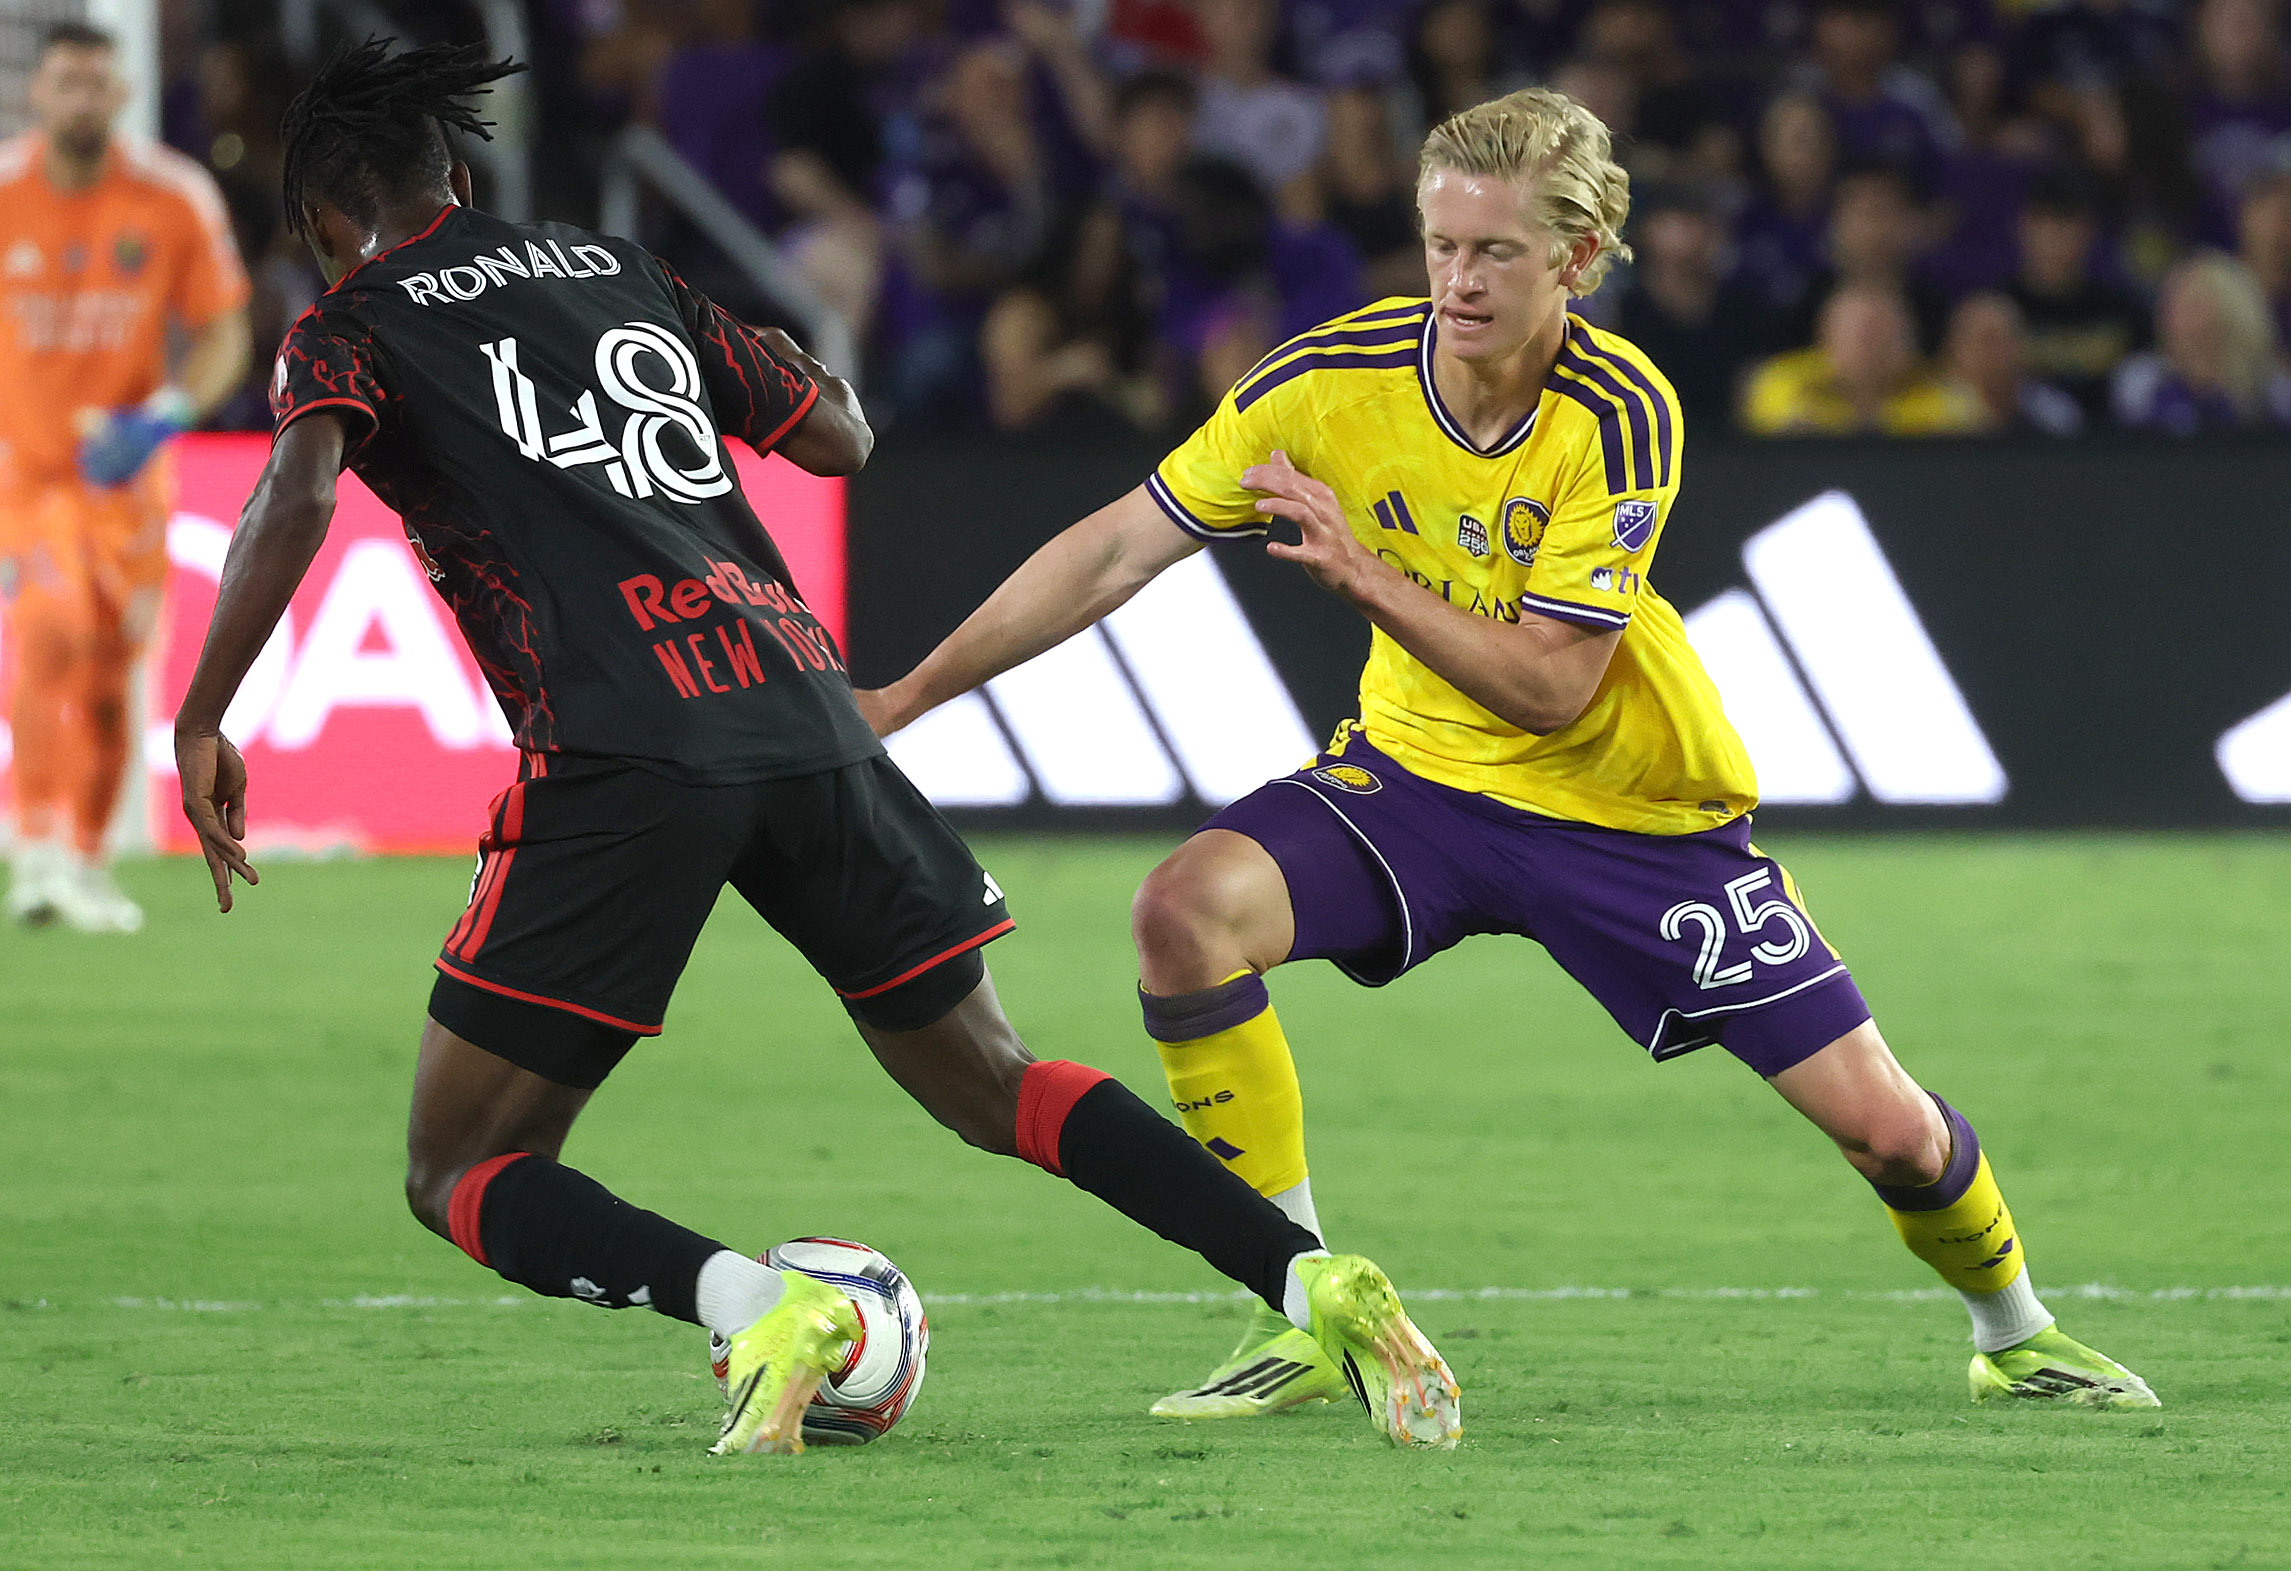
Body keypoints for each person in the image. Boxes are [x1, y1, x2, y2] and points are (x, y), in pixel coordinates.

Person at [173, 40, 1457, 1457]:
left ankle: (759, 1305)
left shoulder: (347, 323)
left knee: (460, 1163)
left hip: (622, 743)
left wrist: (205, 708)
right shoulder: (617, 269)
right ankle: (1307, 1275)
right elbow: (839, 436)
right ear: (460, 181)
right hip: (803, 710)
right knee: (997, 1079)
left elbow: (294, 494)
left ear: (319, 220)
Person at [857, 86, 2160, 1422]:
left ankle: (2014, 1331)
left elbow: (1548, 687)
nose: (1457, 281)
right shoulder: (1325, 381)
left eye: (1494, 251)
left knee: (1886, 1130)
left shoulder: (1618, 410)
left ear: (1576, 259)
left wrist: (1366, 576)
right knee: (1184, 911)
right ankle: (1297, 1301)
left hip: (1628, 812)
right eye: (1439, 245)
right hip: (1416, 781)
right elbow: (1116, 548)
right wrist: (905, 694)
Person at [0, 21, 251, 932]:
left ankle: (87, 857)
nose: (82, 99)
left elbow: (225, 329)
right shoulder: (5, 194)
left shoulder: (172, 198)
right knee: (50, 630)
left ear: (122, 93)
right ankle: (33, 851)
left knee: (112, 672)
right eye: (65, 81)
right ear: (37, 92)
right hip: (28, 473)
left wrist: (166, 414)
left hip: (129, 477)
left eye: (96, 83)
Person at [1742, 280, 1984, 435]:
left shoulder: (1941, 393)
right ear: (1826, 339)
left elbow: (1965, 436)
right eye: (1861, 335)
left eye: (1884, 335)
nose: (1872, 348)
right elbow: (1772, 431)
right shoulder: (1784, 381)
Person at [2112, 251, 2291, 433]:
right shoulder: (2142, 384)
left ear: (2231, 312)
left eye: (2190, 304)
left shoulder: (2274, 391)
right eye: (2169, 302)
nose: (2169, 314)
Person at [1941, 291, 2084, 436]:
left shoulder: (2052, 413)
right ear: (1957, 348)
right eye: (1987, 340)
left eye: (2007, 340)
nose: (1997, 351)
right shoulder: (1936, 417)